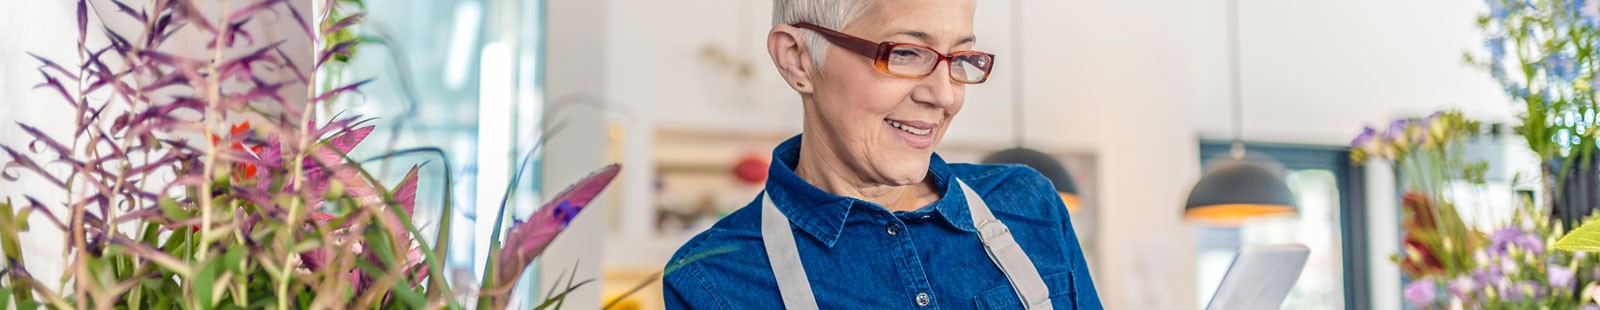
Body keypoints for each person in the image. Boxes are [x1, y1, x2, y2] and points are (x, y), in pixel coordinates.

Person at [663, 0, 1101, 308]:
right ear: (797, 59)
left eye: (960, 57)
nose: (945, 95)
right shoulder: (713, 277)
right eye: (906, 53)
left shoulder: (1028, 204)